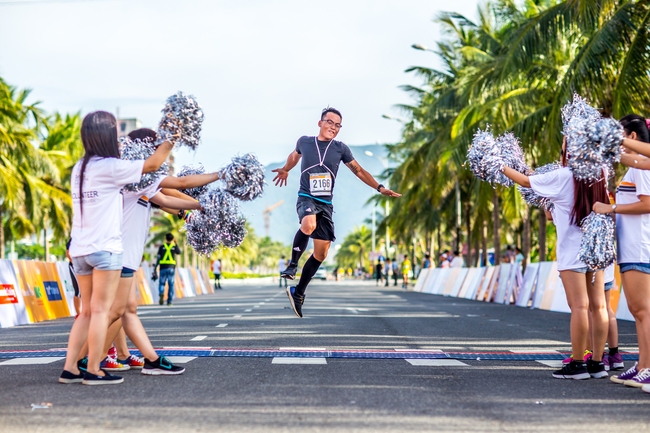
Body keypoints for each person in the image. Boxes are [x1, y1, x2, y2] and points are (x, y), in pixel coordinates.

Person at [60, 111, 172, 385]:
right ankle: (94, 370)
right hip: (105, 249)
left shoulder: (79, 168)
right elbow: (153, 164)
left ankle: (70, 369)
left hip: (80, 249)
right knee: (101, 312)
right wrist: (174, 135)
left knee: (86, 312)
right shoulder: (110, 166)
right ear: (109, 136)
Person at [272, 107, 401, 318]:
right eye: (330, 122)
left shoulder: (341, 149)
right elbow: (294, 156)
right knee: (308, 225)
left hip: (326, 204)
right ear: (320, 123)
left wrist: (379, 187)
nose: (333, 127)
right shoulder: (305, 141)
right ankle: (292, 265)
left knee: (321, 254)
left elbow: (358, 170)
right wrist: (286, 168)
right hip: (307, 197)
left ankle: (299, 293)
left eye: (337, 125)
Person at [502, 136, 608, 380]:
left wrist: (498, 164)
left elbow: (527, 182)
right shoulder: (600, 172)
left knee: (579, 307)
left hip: (572, 252)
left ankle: (579, 363)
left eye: (563, 149)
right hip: (596, 249)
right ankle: (598, 363)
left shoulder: (563, 176)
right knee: (598, 306)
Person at [593, 114, 650, 387]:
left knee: (643, 311)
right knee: (638, 310)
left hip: (640, 247)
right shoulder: (635, 165)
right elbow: (625, 158)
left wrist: (612, 208)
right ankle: (643, 364)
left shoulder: (642, 168)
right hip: (630, 248)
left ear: (633, 137)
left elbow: (648, 204)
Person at [153, 233, 182, 306]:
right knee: (171, 285)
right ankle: (169, 301)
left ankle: (161, 293)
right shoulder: (174, 247)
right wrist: (175, 243)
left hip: (162, 267)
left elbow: (158, 258)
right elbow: (179, 252)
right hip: (171, 268)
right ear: (172, 239)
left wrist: (155, 267)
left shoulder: (161, 247)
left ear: (165, 239)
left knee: (162, 283)